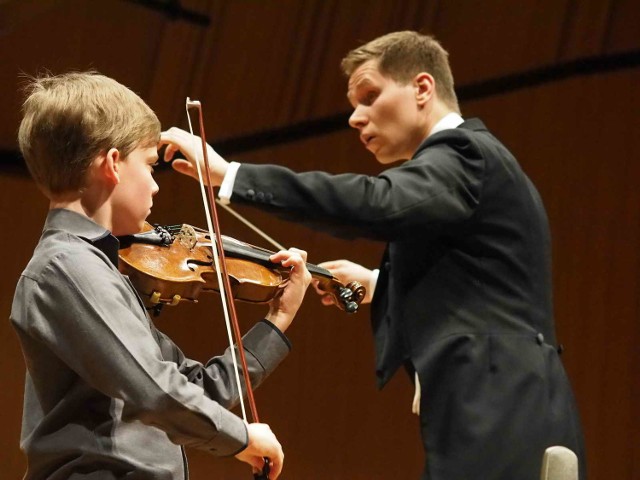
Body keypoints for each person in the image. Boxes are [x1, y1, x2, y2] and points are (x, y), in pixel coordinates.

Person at [160, 31, 586, 479]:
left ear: (423, 88)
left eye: (369, 96)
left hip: (501, 405)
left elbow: (379, 202)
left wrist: (231, 175)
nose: (355, 118)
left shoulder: (465, 154)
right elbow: (483, 280)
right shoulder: (470, 164)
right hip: (501, 403)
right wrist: (379, 284)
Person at [11, 71, 312, 480]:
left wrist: (277, 321)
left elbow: (191, 388)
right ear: (113, 164)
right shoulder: (65, 268)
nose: (155, 186)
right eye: (151, 166)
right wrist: (240, 438)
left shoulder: (96, 268)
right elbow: (156, 392)